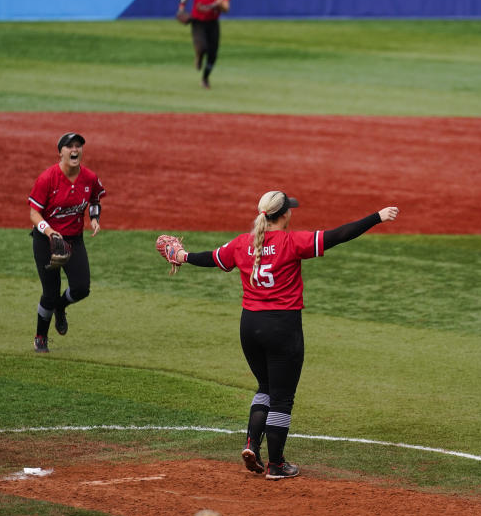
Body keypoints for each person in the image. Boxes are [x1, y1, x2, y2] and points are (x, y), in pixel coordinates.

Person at [164, 191, 399, 479]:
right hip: (282, 328)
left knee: (265, 386)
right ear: (284, 214)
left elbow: (211, 258)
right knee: (282, 398)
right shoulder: (291, 241)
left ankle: (252, 443)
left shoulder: (242, 243)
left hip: (249, 326)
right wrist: (377, 217)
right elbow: (338, 235)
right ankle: (276, 464)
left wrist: (181, 256)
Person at [28, 132, 106, 353]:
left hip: (74, 240)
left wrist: (94, 219)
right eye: (69, 146)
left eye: (78, 146)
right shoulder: (47, 178)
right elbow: (34, 214)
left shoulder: (89, 178)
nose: (75, 150)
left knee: (81, 288)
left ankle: (60, 307)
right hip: (46, 241)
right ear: (60, 152)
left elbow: (94, 199)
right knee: (50, 293)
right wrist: (50, 232)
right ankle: (40, 336)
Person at [178, 0, 231, 89]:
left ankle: (205, 78)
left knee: (213, 54)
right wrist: (181, 8)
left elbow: (226, 9)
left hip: (213, 23)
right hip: (198, 22)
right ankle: (198, 57)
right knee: (202, 47)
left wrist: (220, 4)